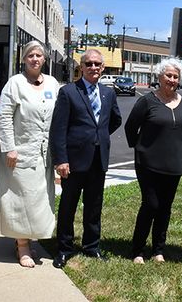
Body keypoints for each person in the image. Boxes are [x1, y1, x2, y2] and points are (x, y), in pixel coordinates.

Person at [49, 49, 122, 269]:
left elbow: (114, 120)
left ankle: (91, 246)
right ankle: (64, 248)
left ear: (102, 68)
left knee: (93, 206)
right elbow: (58, 129)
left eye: (97, 64)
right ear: (81, 67)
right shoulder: (69, 92)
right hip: (73, 161)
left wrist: (98, 136)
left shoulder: (108, 93)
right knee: (68, 206)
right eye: (88, 63)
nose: (93, 67)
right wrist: (61, 159)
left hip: (98, 160)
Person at [0, 40, 60, 268]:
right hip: (20, 153)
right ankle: (22, 245)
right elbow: (3, 118)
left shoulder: (53, 83)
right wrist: (9, 148)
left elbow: (59, 116)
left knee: (39, 200)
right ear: (24, 59)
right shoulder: (15, 83)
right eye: (30, 55)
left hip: (45, 155)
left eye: (39, 55)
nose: (35, 59)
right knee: (21, 199)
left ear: (44, 59)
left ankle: (29, 239)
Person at [124, 57, 182, 264]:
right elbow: (130, 127)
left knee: (165, 207)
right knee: (150, 205)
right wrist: (141, 147)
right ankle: (137, 250)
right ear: (159, 77)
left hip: (174, 165)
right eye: (168, 75)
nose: (171, 79)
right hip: (148, 164)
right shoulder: (147, 101)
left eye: (175, 77)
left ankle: (158, 249)